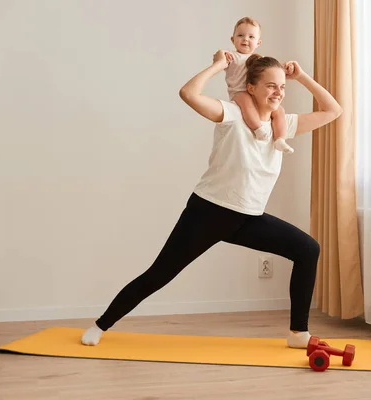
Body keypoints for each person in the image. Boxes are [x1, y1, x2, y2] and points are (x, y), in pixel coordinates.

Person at [80, 49, 343, 349]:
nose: (278, 92)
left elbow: (333, 110)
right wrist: (218, 65)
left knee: (307, 249)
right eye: (271, 85)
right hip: (208, 212)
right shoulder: (231, 114)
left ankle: (299, 334)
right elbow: (188, 93)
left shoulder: (283, 126)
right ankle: (100, 325)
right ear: (251, 87)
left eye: (282, 87)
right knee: (159, 274)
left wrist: (301, 77)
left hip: (248, 217)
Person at [224, 16, 294, 154]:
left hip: (255, 94)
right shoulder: (232, 56)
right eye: (240, 35)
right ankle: (258, 129)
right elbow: (220, 58)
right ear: (233, 40)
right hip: (239, 92)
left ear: (258, 43)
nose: (245, 39)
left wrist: (286, 68)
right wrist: (222, 56)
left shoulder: (258, 59)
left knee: (279, 111)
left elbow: (270, 71)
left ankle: (280, 139)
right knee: (245, 101)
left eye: (251, 37)